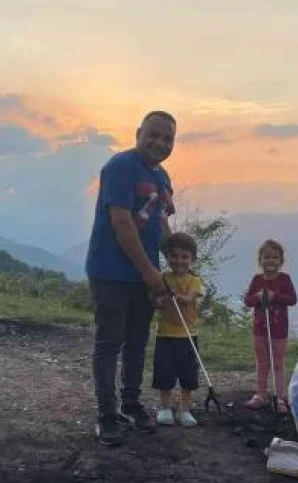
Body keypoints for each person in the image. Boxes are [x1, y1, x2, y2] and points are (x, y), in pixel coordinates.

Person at [85, 110, 177, 447]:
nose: (159, 143)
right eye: (153, 135)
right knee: (109, 343)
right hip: (111, 271)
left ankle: (132, 404)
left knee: (138, 342)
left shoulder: (163, 177)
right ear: (138, 133)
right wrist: (150, 272)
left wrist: (178, 267)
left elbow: (162, 223)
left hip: (145, 274)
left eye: (167, 139)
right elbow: (121, 222)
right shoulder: (120, 167)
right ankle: (107, 415)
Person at [152, 232, 202, 428]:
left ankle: (185, 410)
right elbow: (154, 301)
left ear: (192, 259)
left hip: (188, 335)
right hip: (165, 335)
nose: (179, 261)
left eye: (184, 257)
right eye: (174, 256)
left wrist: (181, 297)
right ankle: (165, 408)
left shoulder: (194, 280)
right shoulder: (162, 278)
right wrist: (160, 300)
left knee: (187, 374)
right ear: (168, 257)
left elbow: (191, 297)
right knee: (165, 371)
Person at [243, 240, 297, 413]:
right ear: (260, 260)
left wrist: (275, 296)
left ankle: (279, 397)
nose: (270, 261)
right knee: (262, 363)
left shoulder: (284, 279)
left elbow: (292, 300)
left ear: (280, 260)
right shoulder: (257, 280)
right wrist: (257, 297)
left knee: (278, 364)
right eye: (266, 257)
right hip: (259, 329)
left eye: (274, 257)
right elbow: (247, 300)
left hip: (279, 330)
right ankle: (261, 394)